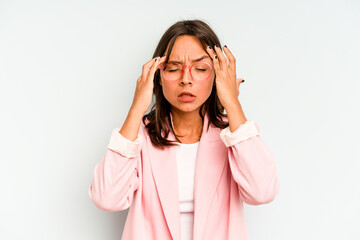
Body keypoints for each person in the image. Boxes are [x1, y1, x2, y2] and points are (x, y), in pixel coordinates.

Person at [88, 19, 280, 240]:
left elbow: (263, 191)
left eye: (200, 68)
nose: (186, 79)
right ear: (157, 77)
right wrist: (136, 109)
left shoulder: (234, 135)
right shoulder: (138, 136)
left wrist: (232, 104)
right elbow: (106, 198)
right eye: (173, 68)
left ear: (218, 75)